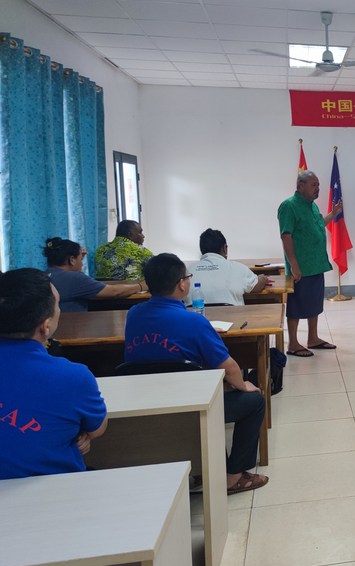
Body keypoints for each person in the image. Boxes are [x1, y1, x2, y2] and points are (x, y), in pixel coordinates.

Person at [124, 253, 268, 494]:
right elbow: (229, 367)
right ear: (182, 284)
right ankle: (234, 477)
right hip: (190, 404)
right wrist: (243, 385)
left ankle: (201, 470)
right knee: (254, 401)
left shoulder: (133, 315)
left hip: (146, 401)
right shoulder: (193, 322)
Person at [0, 269, 107, 479]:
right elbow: (96, 428)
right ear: (46, 326)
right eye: (57, 305)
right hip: (52, 497)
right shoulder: (72, 377)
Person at [278, 170, 341, 357]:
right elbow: (286, 235)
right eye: (314, 185)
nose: (318, 189)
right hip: (301, 267)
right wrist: (294, 265)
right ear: (300, 186)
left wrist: (333, 213)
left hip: (316, 264)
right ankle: (293, 343)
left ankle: (313, 338)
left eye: (318, 185)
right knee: (296, 306)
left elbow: (319, 224)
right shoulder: (288, 206)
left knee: (314, 303)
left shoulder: (312, 206)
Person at [44, 237, 146, 312]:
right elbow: (115, 292)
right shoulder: (74, 279)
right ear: (71, 260)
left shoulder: (45, 275)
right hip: (71, 331)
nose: (82, 262)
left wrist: (77, 260)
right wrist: (141, 286)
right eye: (80, 259)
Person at [188, 229, 267, 306]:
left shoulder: (188, 271)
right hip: (232, 319)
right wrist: (263, 278)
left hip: (196, 318)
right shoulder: (237, 268)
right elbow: (257, 286)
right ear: (225, 248)